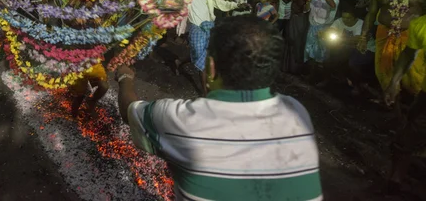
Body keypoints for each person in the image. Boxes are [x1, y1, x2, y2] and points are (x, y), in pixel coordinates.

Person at [116, 17, 323, 201]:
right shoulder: (296, 112)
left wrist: (125, 78)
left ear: (211, 68)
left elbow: (129, 111)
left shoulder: (182, 120)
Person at [358, 0, 425, 96]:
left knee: (414, 74)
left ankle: (417, 108)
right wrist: (363, 36)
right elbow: (371, 14)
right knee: (384, 72)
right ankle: (394, 108)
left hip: (410, 37)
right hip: (385, 34)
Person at [384, 0, 426, 190]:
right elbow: (408, 54)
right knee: (407, 136)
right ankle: (396, 179)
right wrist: (394, 82)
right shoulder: (421, 25)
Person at [185, 0, 241, 95]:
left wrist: (237, 5)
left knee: (209, 60)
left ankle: (212, 88)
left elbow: (222, 3)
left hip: (210, 28)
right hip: (196, 30)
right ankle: (205, 92)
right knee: (203, 64)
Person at [304, 0, 339, 79]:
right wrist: (308, 2)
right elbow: (307, 10)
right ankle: (312, 75)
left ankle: (324, 78)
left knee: (323, 53)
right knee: (310, 50)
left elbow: (332, 5)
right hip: (313, 26)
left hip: (325, 28)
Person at [281, 0, 311, 73]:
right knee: (291, 40)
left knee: (299, 41)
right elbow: (287, 0)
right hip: (293, 16)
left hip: (302, 17)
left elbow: (301, 2)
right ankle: (290, 67)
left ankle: (299, 67)